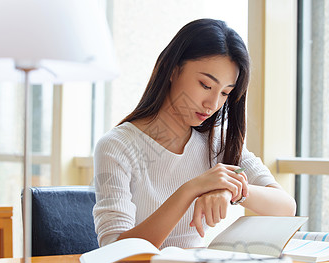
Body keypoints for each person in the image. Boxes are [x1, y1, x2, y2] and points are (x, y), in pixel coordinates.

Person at [93, 18, 296, 250]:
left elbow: (285, 207)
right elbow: (114, 253)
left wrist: (229, 189)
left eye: (225, 93)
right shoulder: (117, 146)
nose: (212, 104)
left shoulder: (216, 141)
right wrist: (192, 189)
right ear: (172, 69)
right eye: (205, 85)